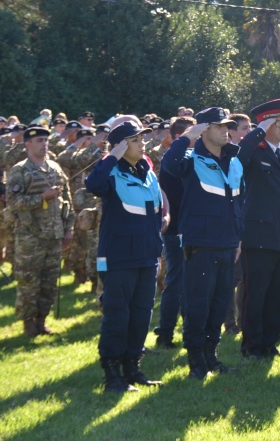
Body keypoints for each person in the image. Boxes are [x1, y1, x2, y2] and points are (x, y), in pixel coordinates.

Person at [161, 107, 244, 379]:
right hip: (201, 243)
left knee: (220, 303)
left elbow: (239, 202)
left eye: (227, 125)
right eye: (219, 125)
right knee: (198, 304)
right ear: (204, 130)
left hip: (228, 242)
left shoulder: (234, 160)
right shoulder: (190, 158)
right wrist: (187, 136)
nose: (226, 129)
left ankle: (212, 356)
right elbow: (170, 165)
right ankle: (196, 361)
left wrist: (238, 238)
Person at [84, 120, 166, 393]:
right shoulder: (110, 172)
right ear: (120, 146)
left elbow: (155, 211)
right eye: (135, 140)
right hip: (119, 257)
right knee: (117, 316)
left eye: (142, 139)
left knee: (141, 315)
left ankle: (133, 368)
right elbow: (92, 185)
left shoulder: (147, 172)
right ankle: (112, 374)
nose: (143, 143)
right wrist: (112, 156)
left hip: (146, 255)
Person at [236, 99, 280, 360]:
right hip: (260, 233)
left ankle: (270, 342)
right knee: (256, 293)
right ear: (264, 124)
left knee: (279, 294)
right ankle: (252, 345)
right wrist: (256, 132)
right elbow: (237, 163)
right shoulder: (254, 149)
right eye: (277, 122)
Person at [8, 124, 75, 338]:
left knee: (49, 281)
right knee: (29, 281)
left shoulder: (55, 168)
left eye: (46, 140)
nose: (44, 144)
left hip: (54, 235)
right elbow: (13, 201)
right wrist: (41, 198)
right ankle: (28, 324)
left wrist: (68, 229)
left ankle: (42, 321)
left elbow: (69, 202)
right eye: (39, 141)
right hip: (31, 236)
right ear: (27, 144)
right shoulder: (19, 170)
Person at [152, 116, 194, 349]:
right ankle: (165, 332)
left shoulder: (192, 159)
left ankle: (189, 327)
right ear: (180, 137)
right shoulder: (171, 163)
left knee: (188, 282)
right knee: (177, 281)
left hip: (189, 230)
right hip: (176, 229)